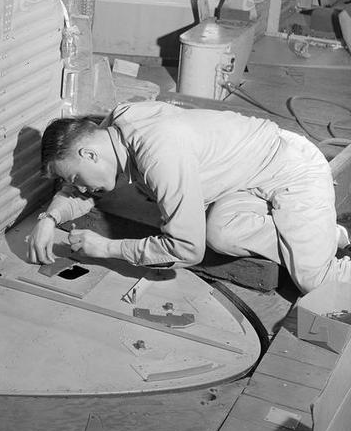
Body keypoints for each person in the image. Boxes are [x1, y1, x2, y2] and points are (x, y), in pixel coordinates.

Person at [27, 100, 351, 294]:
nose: (81, 188)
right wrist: (49, 218)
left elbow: (186, 248)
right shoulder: (110, 130)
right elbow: (77, 191)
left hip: (292, 169)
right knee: (221, 234)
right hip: (244, 181)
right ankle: (319, 235)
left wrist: (107, 248)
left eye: (75, 178)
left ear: (89, 154)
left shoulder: (159, 154)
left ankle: (316, 240)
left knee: (316, 283)